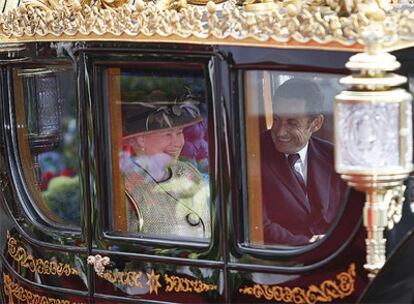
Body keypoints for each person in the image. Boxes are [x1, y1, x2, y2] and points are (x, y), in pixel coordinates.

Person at [261, 78, 347, 246]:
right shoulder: (253, 154)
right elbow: (260, 226)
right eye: (276, 119)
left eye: (292, 123)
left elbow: (350, 213)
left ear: (316, 123)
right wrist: (310, 246)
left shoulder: (334, 157)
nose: (280, 132)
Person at [120, 100, 210, 240]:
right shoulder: (124, 185)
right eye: (167, 135)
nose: (177, 143)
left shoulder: (188, 173)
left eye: (179, 133)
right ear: (141, 140)